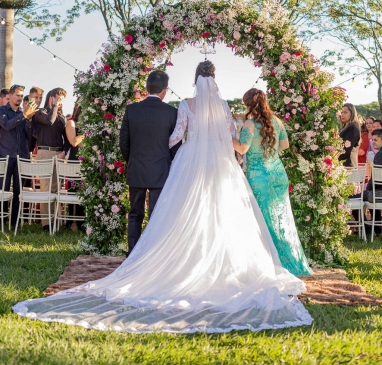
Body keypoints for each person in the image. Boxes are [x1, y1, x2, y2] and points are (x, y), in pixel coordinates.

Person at [12, 61, 313, 333]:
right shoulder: (222, 105)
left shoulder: (185, 104)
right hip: (221, 164)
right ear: (215, 79)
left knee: (180, 211)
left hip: (190, 161)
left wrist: (161, 146)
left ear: (195, 80)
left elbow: (177, 136)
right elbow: (227, 133)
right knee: (221, 210)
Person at [232, 88, 311, 276]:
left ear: (248, 104)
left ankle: (271, 262)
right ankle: (290, 259)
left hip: (259, 177)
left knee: (263, 220)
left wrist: (226, 138)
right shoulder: (277, 121)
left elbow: (242, 149)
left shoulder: (250, 124)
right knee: (282, 219)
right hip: (278, 174)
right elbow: (285, 145)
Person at [119, 70, 181, 256]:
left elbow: (124, 142)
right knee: (156, 215)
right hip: (161, 170)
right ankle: (152, 255)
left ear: (146, 88)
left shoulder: (132, 110)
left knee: (135, 214)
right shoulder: (172, 113)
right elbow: (175, 145)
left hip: (136, 168)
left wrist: (132, 160)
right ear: (164, 90)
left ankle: (133, 254)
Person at [0, 85, 37, 225]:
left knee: (18, 192)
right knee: (2, 190)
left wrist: (28, 120)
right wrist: (23, 116)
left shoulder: (24, 113)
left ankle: (14, 223)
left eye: (22, 96)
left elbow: (29, 136)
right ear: (10, 95)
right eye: (18, 95)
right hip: (5, 156)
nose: (20, 98)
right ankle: (2, 221)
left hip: (21, 156)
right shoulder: (2, 111)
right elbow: (7, 126)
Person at [35, 87, 67, 232]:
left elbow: (66, 138)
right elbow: (50, 121)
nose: (61, 102)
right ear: (51, 98)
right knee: (45, 189)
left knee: (55, 189)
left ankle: (54, 221)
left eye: (62, 100)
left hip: (58, 154)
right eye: (59, 99)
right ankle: (46, 224)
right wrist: (54, 106)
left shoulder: (61, 117)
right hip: (44, 152)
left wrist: (64, 152)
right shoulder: (40, 113)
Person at [64, 103, 85, 231]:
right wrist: (87, 132)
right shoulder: (71, 123)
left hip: (87, 162)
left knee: (84, 194)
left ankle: (83, 223)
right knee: (73, 192)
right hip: (74, 161)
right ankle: (72, 223)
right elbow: (74, 142)